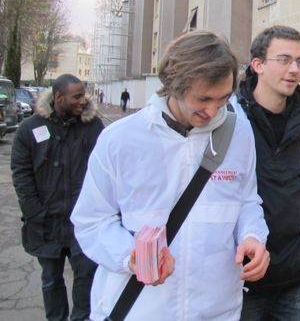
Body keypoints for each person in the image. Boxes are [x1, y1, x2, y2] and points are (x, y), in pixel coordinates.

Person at [71, 31, 270, 320]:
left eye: (224, 97)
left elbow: (247, 201)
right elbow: (91, 221)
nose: (214, 110)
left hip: (216, 310)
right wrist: (131, 256)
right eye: (203, 99)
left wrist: (253, 235)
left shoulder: (238, 131)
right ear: (173, 86)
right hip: (140, 310)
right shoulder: (120, 139)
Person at [234, 25, 300, 321]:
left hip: (296, 273)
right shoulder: (231, 119)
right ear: (258, 65)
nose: (295, 69)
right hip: (242, 274)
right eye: (285, 59)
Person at [11, 74, 104, 321]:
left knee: (86, 278)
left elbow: (107, 170)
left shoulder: (93, 127)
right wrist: (34, 212)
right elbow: (21, 174)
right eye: (77, 96)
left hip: (82, 222)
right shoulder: (29, 129)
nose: (83, 100)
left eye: (84, 95)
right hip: (45, 222)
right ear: (59, 97)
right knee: (51, 280)